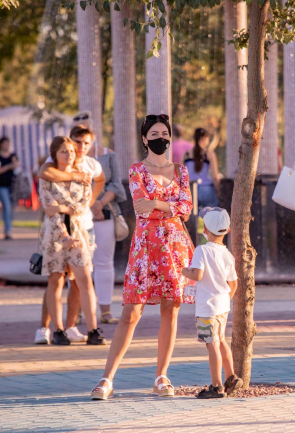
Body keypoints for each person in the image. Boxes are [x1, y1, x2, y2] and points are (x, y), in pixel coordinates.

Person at [91, 114, 194, 400]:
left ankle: (162, 376)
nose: (161, 138)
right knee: (131, 312)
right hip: (145, 248)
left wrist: (157, 203)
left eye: (165, 133)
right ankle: (107, 379)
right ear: (144, 139)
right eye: (155, 134)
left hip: (174, 247)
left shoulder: (181, 171)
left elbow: (187, 208)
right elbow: (140, 207)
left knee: (171, 310)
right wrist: (170, 205)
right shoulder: (137, 169)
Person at [34, 125, 106, 345]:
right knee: (55, 280)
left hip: (79, 233)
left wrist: (64, 208)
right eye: (64, 151)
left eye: (71, 151)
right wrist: (64, 233)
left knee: (84, 280)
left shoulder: (83, 175)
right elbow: (49, 208)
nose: (70, 154)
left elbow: (82, 206)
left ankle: (93, 330)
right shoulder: (48, 176)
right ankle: (57, 330)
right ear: (54, 154)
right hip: (54, 235)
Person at [181, 207, 243, 399]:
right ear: (228, 230)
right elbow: (234, 284)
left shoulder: (202, 250)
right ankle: (231, 377)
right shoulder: (227, 255)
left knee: (212, 345)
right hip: (222, 307)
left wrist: (183, 270)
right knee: (221, 340)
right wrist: (224, 300)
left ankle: (217, 386)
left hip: (207, 308)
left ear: (205, 230)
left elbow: (197, 274)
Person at [92, 142, 127, 324]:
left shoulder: (109, 155)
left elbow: (116, 185)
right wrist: (91, 205)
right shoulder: (70, 156)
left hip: (106, 213)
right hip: (79, 214)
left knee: (104, 262)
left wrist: (100, 203)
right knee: (77, 266)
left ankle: (105, 311)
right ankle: (78, 310)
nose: (82, 144)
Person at [184, 128, 220, 209]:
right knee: (211, 214)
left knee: (192, 215)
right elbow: (215, 177)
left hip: (190, 190)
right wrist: (218, 190)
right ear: (204, 138)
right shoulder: (209, 154)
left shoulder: (186, 154)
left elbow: (180, 174)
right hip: (206, 190)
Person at [0, 137, 20, 240]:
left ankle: (9, 228)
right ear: (0, 144)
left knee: (11, 207)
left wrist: (15, 165)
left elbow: (18, 167)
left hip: (13, 185)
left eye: (8, 143)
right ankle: (8, 230)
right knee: (7, 206)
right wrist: (8, 167)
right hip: (1, 185)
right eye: (4, 143)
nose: (6, 145)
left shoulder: (13, 155)